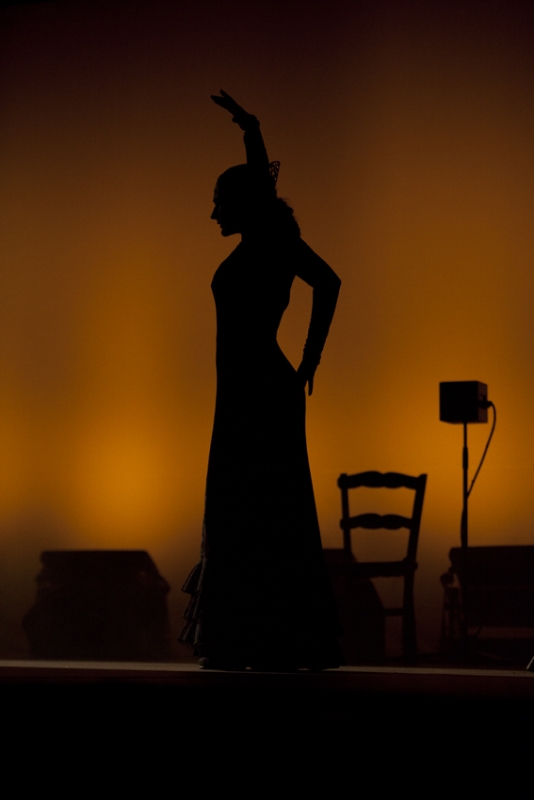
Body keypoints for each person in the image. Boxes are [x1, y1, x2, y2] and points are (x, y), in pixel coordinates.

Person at [180, 91, 343, 670]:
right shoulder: (263, 238)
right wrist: (249, 129)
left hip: (265, 394)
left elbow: (329, 282)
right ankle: (248, 637)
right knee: (243, 509)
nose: (214, 214)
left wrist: (309, 360)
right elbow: (261, 187)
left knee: (263, 511)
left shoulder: (276, 242)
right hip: (242, 394)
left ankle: (269, 637)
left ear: (244, 205)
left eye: (220, 203)